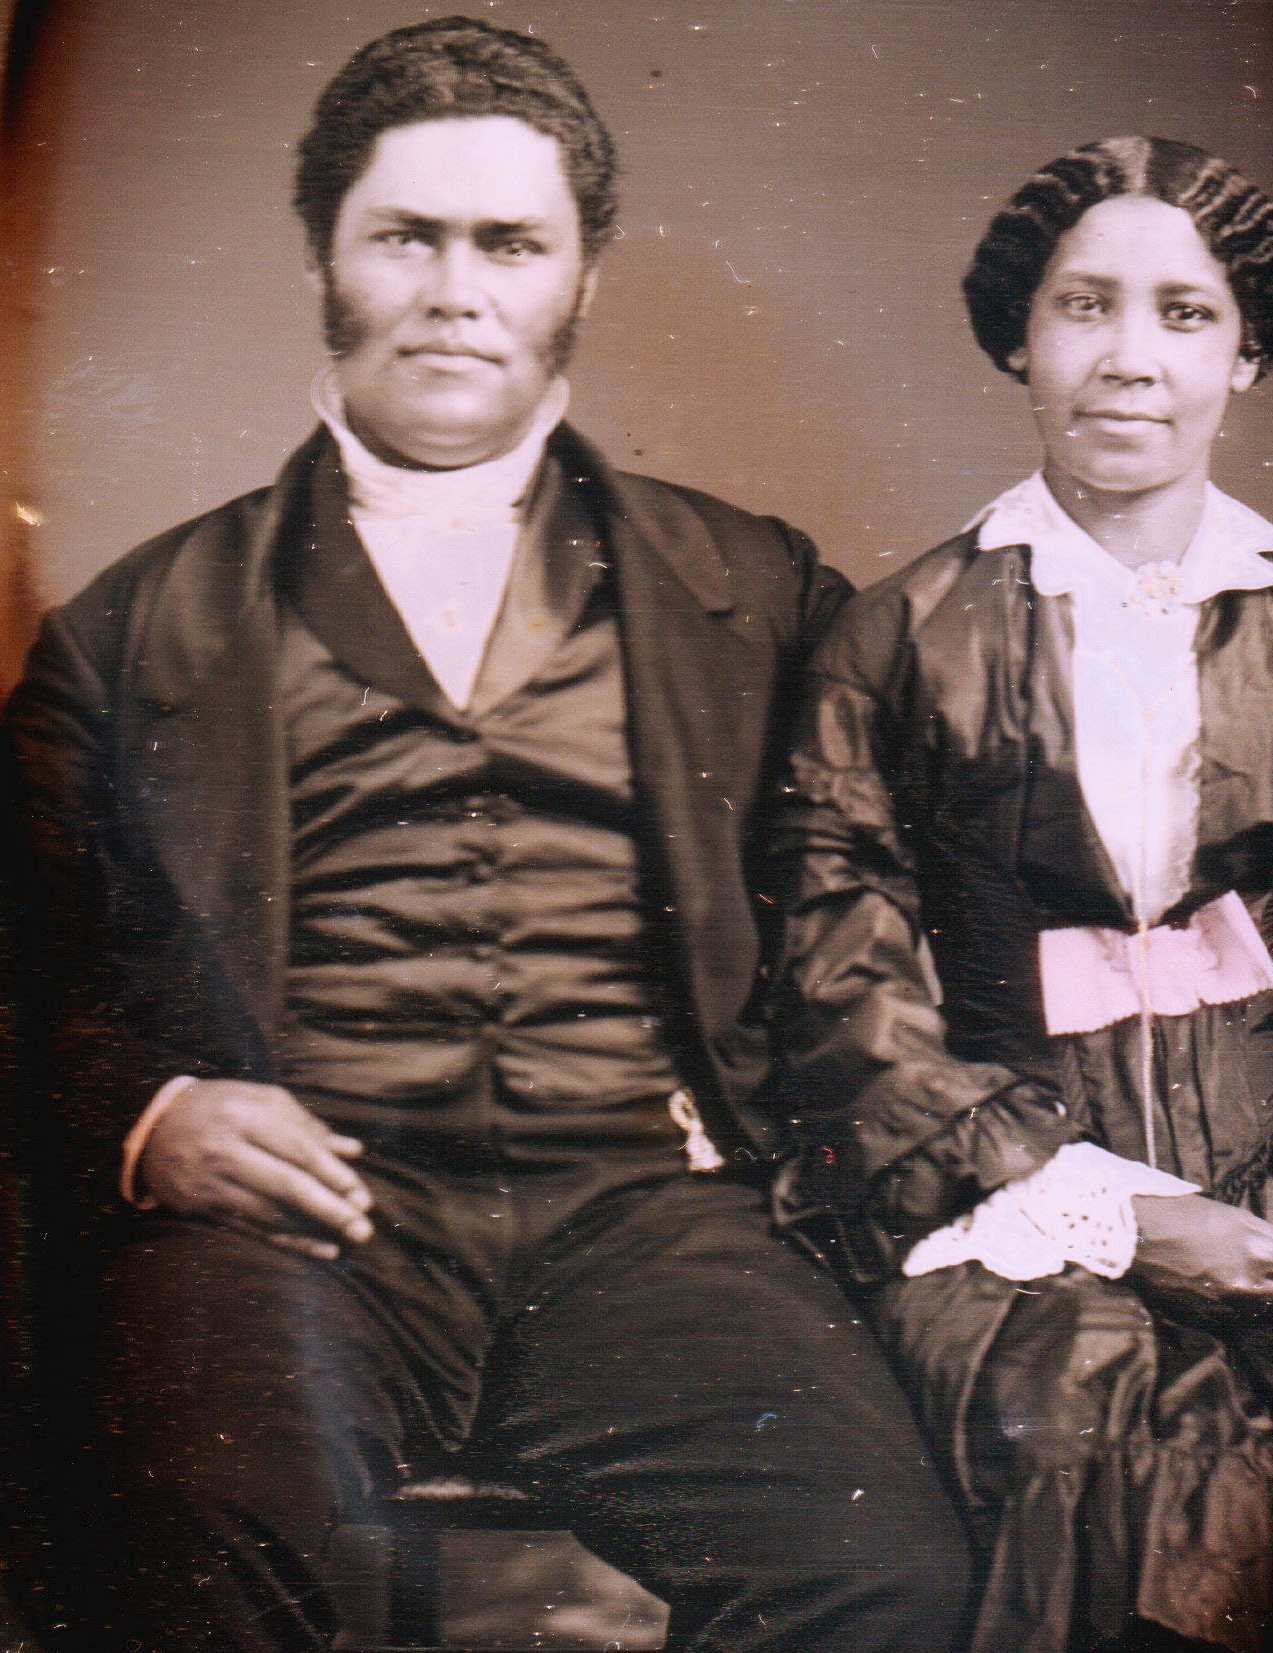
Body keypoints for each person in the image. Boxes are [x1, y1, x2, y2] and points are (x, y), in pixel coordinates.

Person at [0, 19, 975, 1652]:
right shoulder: (128, 630)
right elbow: (29, 970)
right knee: (188, 1529)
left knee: (880, 1572)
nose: (456, 291)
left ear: (581, 278)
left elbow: (893, 893)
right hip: (304, 1228)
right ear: (325, 258)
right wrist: (151, 1112)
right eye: (407, 236)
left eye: (509, 244)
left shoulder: (757, 589)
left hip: (650, 1209)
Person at [768, 135, 1273, 1652]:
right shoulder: (898, 640)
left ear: (1249, 355)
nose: (1131, 359)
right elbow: (841, 993)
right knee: (1132, 1466)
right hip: (1002, 1188)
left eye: (1186, 314)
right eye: (1085, 306)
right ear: (1020, 337)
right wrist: (1113, 1210)